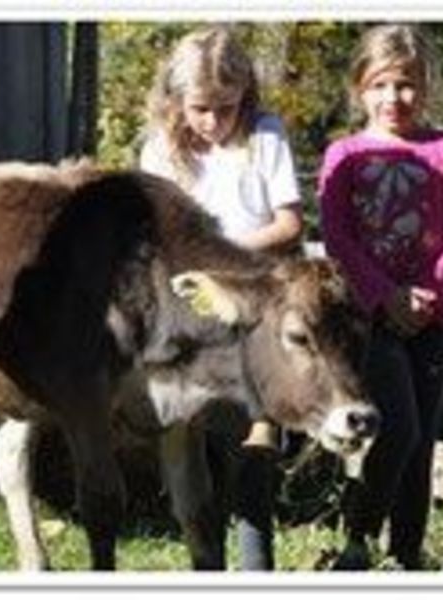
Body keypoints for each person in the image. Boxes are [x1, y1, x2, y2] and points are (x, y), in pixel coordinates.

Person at [140, 25, 304, 570]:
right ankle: (204, 561)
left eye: (226, 108)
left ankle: (257, 564)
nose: (213, 123)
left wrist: (222, 255)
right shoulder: (161, 152)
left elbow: (288, 224)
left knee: (256, 439)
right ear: (176, 101)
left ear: (245, 95)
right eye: (200, 109)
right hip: (186, 310)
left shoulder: (265, 136)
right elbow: (152, 238)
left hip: (256, 300)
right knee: (183, 439)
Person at [317, 24, 443, 570]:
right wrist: (386, 297)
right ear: (360, 88)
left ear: (425, 86)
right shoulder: (345, 154)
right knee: (398, 429)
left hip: (434, 319)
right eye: (380, 85)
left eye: (406, 84)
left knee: (422, 443)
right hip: (371, 318)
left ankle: (407, 556)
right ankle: (358, 539)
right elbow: (337, 235)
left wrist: (426, 295)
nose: (394, 98)